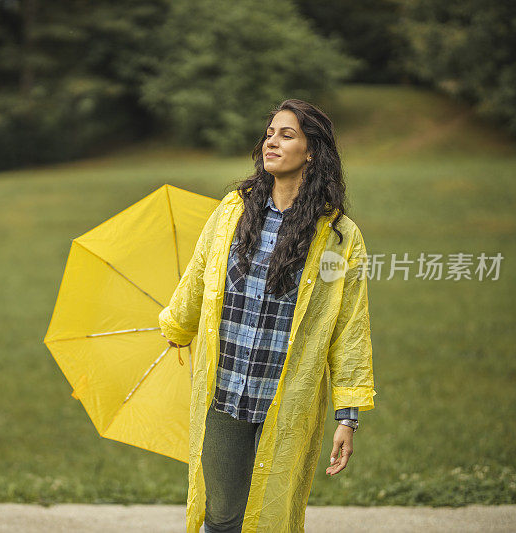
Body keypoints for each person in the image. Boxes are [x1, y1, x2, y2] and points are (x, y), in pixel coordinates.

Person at [159, 99, 377, 533]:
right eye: (270, 133)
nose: (271, 142)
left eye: (287, 134)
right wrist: (177, 326)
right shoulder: (231, 213)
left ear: (312, 151)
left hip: (288, 398)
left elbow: (350, 326)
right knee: (221, 519)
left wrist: (347, 415)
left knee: (271, 519)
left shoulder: (338, 236)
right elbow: (199, 275)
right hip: (225, 393)